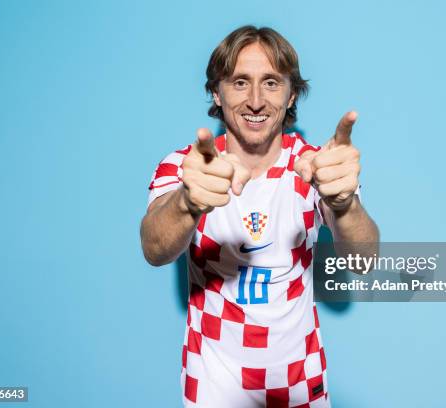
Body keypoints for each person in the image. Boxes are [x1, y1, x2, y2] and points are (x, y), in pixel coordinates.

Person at [140, 25, 378, 407]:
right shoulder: (187, 167)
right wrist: (187, 201)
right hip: (214, 384)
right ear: (216, 92)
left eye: (270, 83)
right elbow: (154, 248)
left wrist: (344, 203)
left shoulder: (315, 166)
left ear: (291, 94)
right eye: (239, 83)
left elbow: (364, 262)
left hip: (299, 381)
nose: (255, 100)